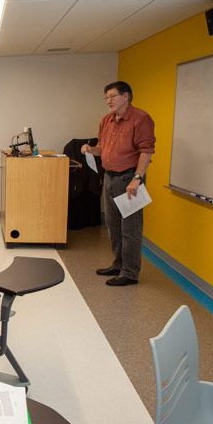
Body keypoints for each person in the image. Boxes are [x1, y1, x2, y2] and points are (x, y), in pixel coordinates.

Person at [81, 81, 155, 286]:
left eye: (113, 96)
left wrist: (137, 179)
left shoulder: (141, 119)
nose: (109, 101)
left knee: (130, 228)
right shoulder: (106, 120)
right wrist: (90, 149)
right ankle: (118, 264)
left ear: (126, 96)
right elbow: (102, 148)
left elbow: (146, 151)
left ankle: (130, 273)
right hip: (109, 177)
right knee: (112, 225)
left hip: (129, 179)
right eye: (106, 98)